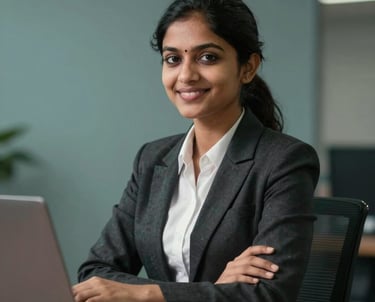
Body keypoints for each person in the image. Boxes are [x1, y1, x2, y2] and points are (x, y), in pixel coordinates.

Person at [72, 0, 320, 301]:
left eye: (207, 57)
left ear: (248, 68)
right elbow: (95, 273)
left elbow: (271, 294)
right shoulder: (152, 159)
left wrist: (149, 295)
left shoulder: (284, 161)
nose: (186, 75)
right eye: (173, 59)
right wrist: (214, 288)